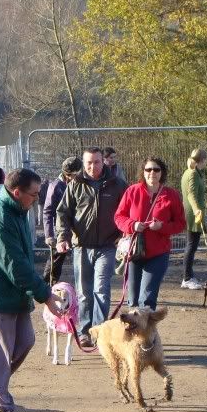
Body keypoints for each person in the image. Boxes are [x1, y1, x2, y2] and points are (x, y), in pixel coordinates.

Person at [0, 168, 64, 412]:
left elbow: (21, 261)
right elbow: (16, 266)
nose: (37, 199)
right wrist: (45, 295)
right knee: (1, 352)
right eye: (33, 194)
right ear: (16, 192)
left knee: (26, 341)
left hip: (15, 293)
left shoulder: (19, 210)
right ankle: (2, 406)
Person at [56, 146, 127, 347]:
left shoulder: (117, 184)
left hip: (107, 245)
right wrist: (63, 236)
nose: (92, 166)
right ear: (83, 163)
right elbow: (63, 213)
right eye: (88, 163)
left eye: (96, 162)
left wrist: (123, 235)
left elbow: (127, 211)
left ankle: (99, 330)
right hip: (82, 246)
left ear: (102, 161)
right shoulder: (75, 185)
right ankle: (85, 330)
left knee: (101, 289)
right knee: (84, 292)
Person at [115, 157, 186, 310]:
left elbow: (181, 224)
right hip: (134, 252)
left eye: (156, 169)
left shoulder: (171, 195)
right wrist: (132, 225)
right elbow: (119, 217)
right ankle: (134, 331)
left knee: (147, 299)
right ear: (143, 172)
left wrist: (161, 227)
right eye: (148, 169)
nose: (152, 173)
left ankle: (147, 333)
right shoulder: (132, 191)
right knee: (133, 299)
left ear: (162, 172)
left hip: (158, 253)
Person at [42, 156, 82, 284]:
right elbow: (47, 211)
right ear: (67, 174)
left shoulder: (80, 185)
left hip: (77, 230)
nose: (75, 177)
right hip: (60, 230)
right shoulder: (55, 187)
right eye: (72, 175)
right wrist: (49, 235)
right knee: (55, 261)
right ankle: (47, 285)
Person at [180, 148, 207, 289]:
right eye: (205, 160)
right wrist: (197, 209)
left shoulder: (191, 172)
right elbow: (191, 194)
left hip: (193, 213)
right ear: (201, 160)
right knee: (191, 246)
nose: (206, 162)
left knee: (191, 246)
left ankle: (189, 275)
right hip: (193, 215)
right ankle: (187, 278)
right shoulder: (192, 174)